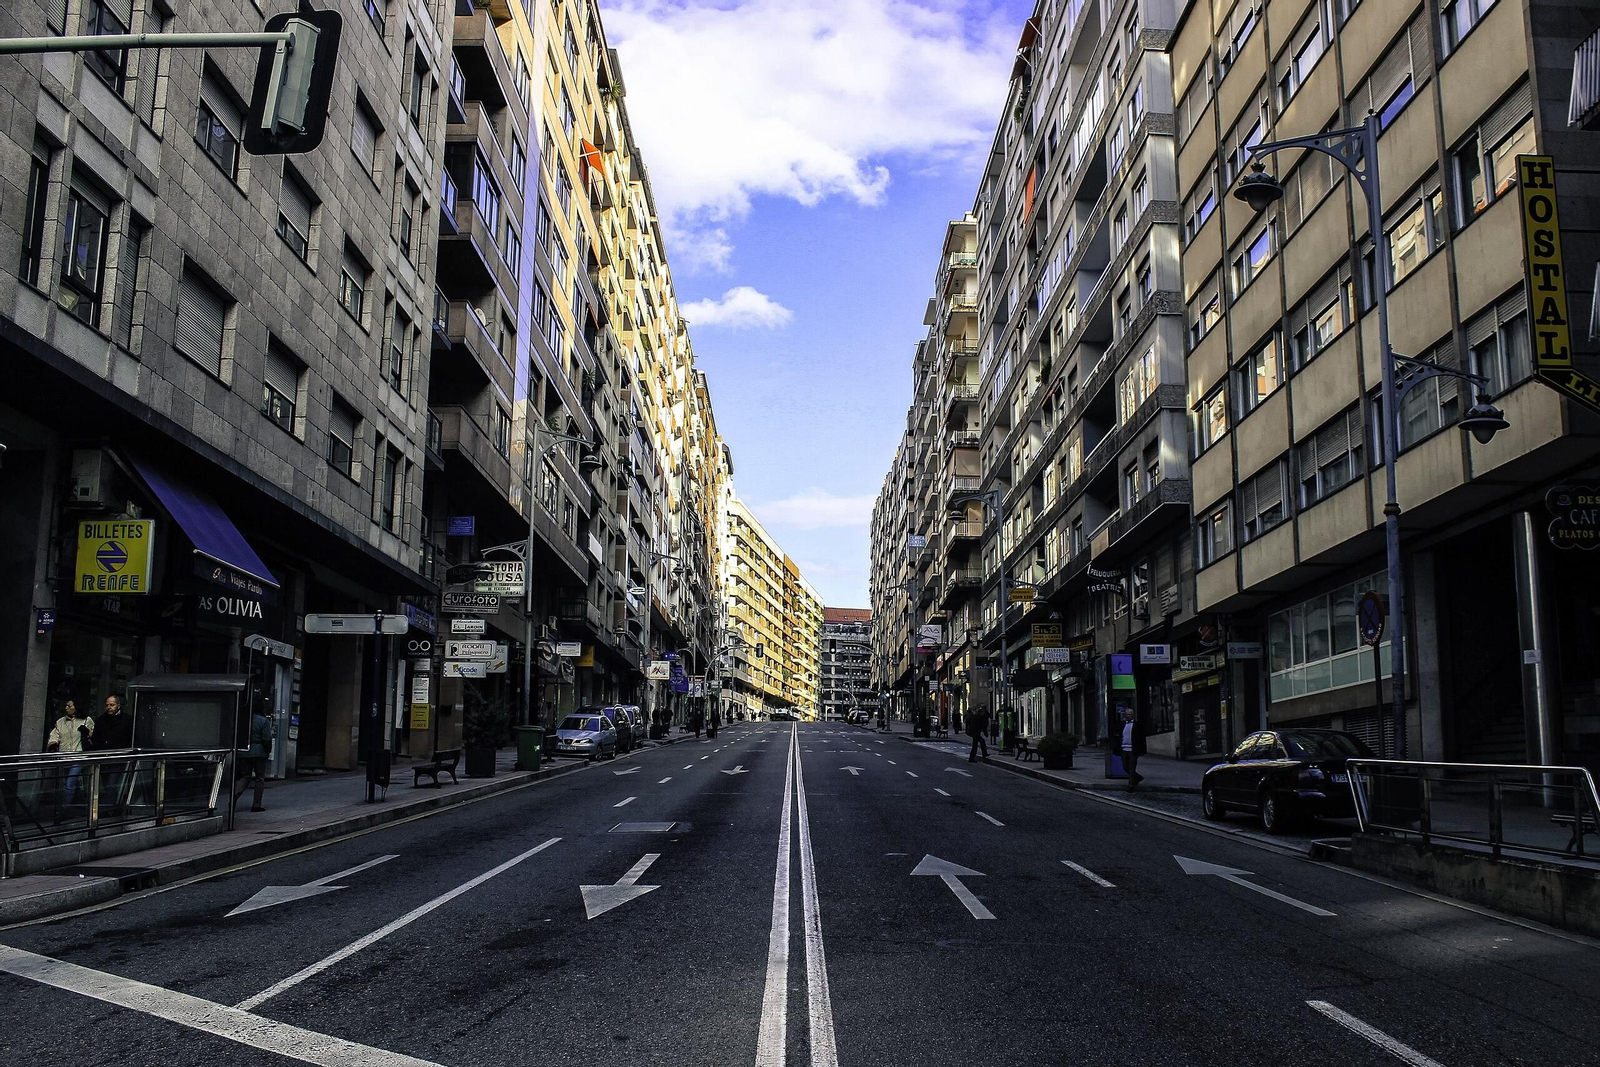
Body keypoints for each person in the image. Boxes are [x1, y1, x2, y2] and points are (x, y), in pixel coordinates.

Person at [46, 700, 94, 813]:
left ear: (76, 707)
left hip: (79, 756)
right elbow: (55, 735)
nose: (66, 708)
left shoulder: (86, 720)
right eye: (66, 705)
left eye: (69, 706)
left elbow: (94, 734)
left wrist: (87, 732)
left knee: (70, 782)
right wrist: (52, 744)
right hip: (64, 756)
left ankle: (64, 809)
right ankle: (77, 803)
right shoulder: (60, 722)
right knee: (65, 783)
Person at [94, 694, 134, 813]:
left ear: (118, 705)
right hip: (104, 757)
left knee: (112, 783)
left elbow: (131, 737)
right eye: (107, 705)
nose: (109, 707)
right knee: (107, 784)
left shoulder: (127, 720)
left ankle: (107, 809)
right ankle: (114, 807)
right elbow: (96, 738)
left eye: (112, 705)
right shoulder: (101, 720)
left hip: (119, 757)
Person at [234, 702, 273, 813]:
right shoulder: (263, 721)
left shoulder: (244, 720)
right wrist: (267, 751)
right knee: (259, 778)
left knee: (245, 776)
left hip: (244, 752)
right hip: (259, 753)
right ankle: (256, 805)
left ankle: (234, 797)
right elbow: (267, 739)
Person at [1114, 706, 1146, 790]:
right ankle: (1138, 777)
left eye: (1129, 714)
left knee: (1132, 768)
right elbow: (1120, 736)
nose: (1128, 716)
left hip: (1133, 749)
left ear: (1133, 715)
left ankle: (1131, 785)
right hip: (1124, 749)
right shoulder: (1123, 725)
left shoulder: (1137, 725)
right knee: (1125, 767)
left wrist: (1142, 750)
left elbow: (1142, 738)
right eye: (1127, 714)